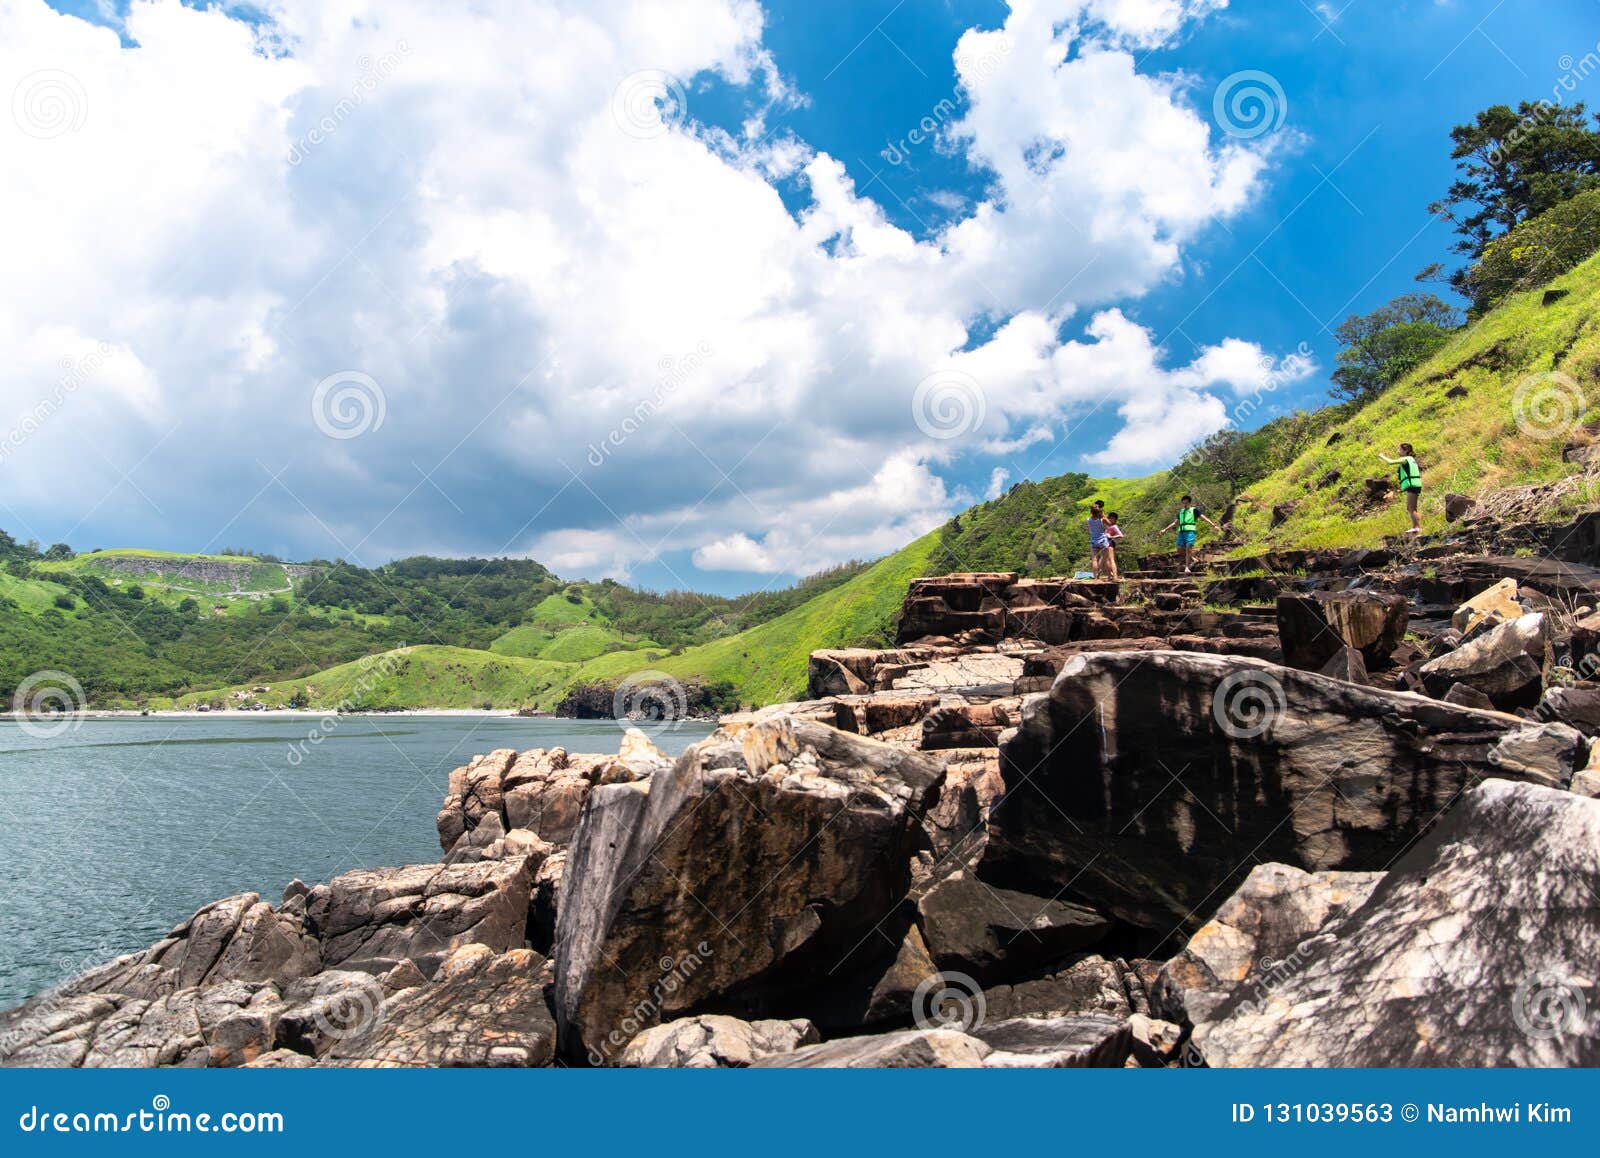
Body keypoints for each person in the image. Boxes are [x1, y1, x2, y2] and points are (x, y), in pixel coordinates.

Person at [1160, 494, 1221, 573]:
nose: (1185, 505)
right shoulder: (1180, 512)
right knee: (1179, 549)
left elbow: (1203, 517)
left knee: (1188, 548)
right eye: (1183, 503)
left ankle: (1187, 567)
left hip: (1190, 531)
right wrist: (1165, 530)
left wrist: (1213, 525)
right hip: (1181, 532)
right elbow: (1175, 523)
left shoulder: (1193, 510)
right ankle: (1194, 559)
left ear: (1189, 503)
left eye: (1186, 503)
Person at [1378, 442, 1423, 535]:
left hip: (1412, 485)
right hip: (1415, 485)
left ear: (1406, 450)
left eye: (1399, 449)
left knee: (1411, 507)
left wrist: (1381, 456)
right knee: (1412, 507)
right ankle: (1417, 527)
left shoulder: (1406, 459)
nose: (1398, 451)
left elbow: (1390, 462)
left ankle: (1417, 527)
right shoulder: (1411, 459)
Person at [1085, 501, 1110, 578]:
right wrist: (1103, 515)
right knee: (1106, 560)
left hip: (1094, 541)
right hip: (1103, 541)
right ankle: (1110, 575)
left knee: (1094, 559)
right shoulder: (1102, 519)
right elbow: (1110, 524)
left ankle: (1095, 577)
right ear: (1099, 511)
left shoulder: (1088, 519)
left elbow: (1089, 528)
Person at [1103, 511, 1124, 580]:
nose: (1111, 519)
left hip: (1110, 542)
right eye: (1110, 518)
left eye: (1113, 518)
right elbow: (1103, 518)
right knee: (1105, 560)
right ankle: (1110, 575)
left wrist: (1111, 537)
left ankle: (1115, 576)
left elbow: (1121, 535)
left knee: (1111, 559)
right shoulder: (1107, 525)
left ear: (1115, 520)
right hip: (1104, 543)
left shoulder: (1115, 526)